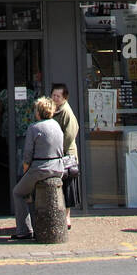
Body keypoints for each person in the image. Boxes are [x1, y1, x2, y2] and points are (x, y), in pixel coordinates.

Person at [11, 96, 64, 240]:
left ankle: (24, 230)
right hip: (58, 168)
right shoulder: (56, 125)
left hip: (41, 168)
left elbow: (27, 156)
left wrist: (25, 171)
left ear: (38, 112)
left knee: (18, 192)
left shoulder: (34, 128)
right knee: (31, 191)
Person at [51, 83, 80, 228]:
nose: (55, 98)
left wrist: (58, 150)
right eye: (53, 95)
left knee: (67, 187)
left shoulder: (66, 112)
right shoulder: (53, 109)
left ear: (64, 97)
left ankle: (67, 217)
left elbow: (70, 134)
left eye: (58, 96)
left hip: (66, 155)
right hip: (58, 155)